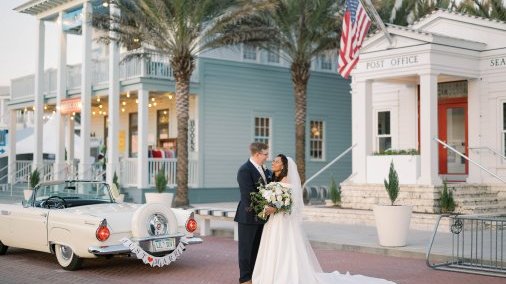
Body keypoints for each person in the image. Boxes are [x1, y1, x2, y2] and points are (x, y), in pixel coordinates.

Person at [252, 154, 396, 284]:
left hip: (282, 221)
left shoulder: (287, 180)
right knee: (272, 246)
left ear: (283, 165)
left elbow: (289, 203)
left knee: (284, 247)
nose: (273, 163)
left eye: (276, 161)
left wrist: (275, 208)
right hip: (273, 221)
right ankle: (271, 274)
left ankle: (284, 276)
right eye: (274, 161)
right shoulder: (274, 178)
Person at [234, 142, 274, 284]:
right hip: (248, 216)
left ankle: (254, 276)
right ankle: (245, 279)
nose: (267, 157)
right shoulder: (245, 170)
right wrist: (265, 208)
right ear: (257, 154)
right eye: (265, 154)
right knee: (246, 250)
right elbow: (248, 196)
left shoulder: (264, 169)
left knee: (257, 249)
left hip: (262, 217)